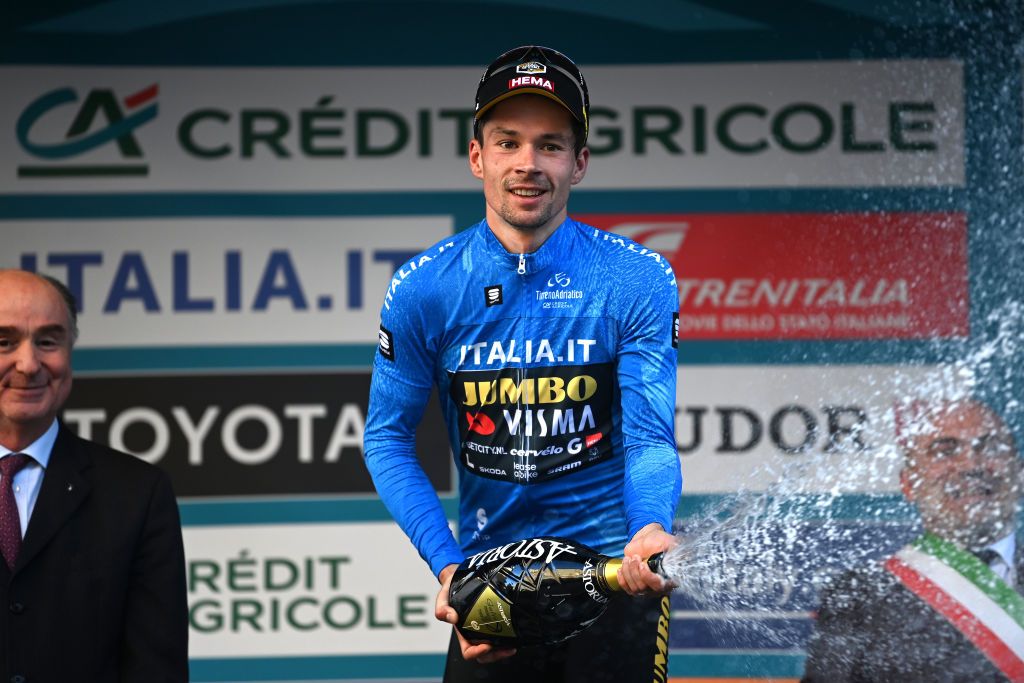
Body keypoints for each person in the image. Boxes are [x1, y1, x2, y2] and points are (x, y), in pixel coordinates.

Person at [363, 45, 681, 681]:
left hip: (613, 579)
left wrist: (650, 527)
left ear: (580, 162)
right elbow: (386, 439)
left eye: (551, 145)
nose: (528, 164)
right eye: (508, 142)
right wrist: (452, 571)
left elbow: (650, 438)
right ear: (477, 156)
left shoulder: (637, 278)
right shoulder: (425, 286)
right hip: (493, 592)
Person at [0, 269, 189, 682]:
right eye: (4, 342)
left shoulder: (137, 494)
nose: (29, 364)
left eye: (48, 341)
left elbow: (156, 670)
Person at [802, 398, 1024, 682]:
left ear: (1019, 473)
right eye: (944, 451)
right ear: (909, 484)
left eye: (990, 448)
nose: (972, 464)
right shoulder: (858, 599)